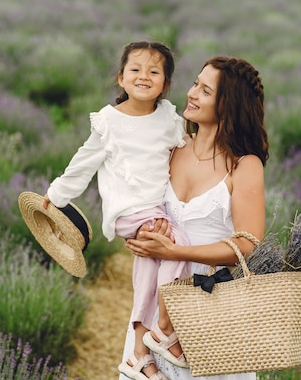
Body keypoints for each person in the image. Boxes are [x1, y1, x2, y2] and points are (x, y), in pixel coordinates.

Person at [42, 41, 192, 380]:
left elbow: (189, 149)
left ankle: (140, 353)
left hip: (158, 208)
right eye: (135, 70)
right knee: (176, 244)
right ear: (121, 78)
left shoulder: (168, 117)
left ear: (165, 84)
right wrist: (57, 193)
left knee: (151, 269)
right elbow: (83, 162)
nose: (144, 76)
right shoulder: (110, 121)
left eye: (155, 71)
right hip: (131, 210)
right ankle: (166, 331)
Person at [120, 55, 269, 380]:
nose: (192, 93)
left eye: (205, 90)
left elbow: (247, 243)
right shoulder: (171, 148)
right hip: (156, 300)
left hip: (209, 302)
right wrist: (145, 234)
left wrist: (175, 252)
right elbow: (137, 208)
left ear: (228, 105)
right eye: (195, 84)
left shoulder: (244, 165)